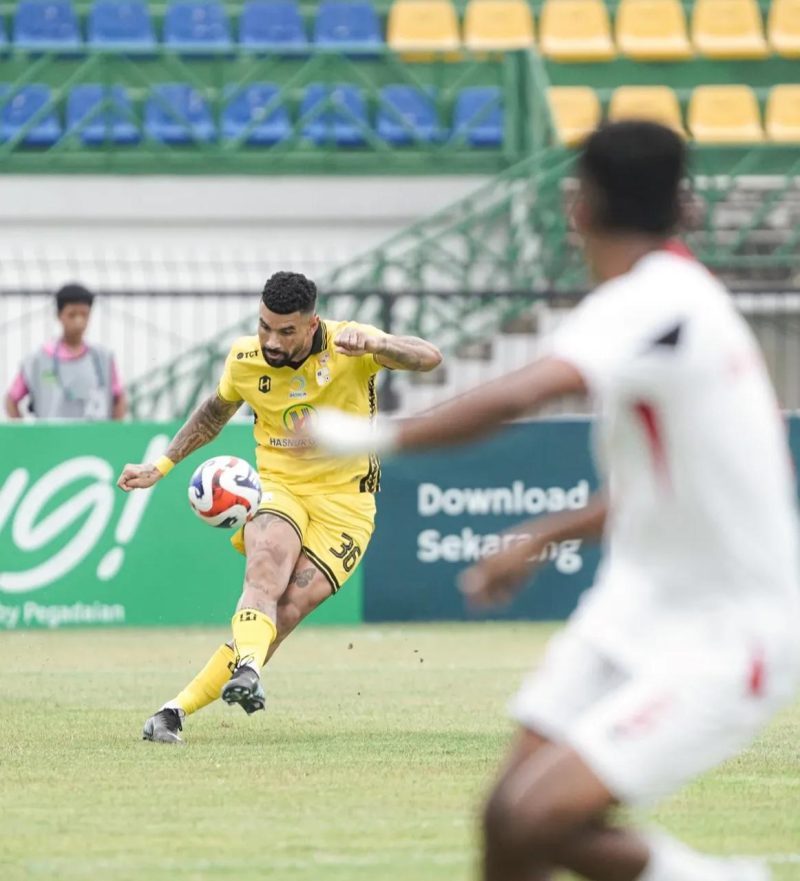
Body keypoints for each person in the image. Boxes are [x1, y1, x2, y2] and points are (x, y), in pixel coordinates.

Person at [312, 122, 800, 881]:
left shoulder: (652, 301)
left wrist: (367, 437)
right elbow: (655, 487)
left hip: (730, 630)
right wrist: (542, 532)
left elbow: (526, 390)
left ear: (579, 206)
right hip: (636, 608)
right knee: (504, 822)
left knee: (538, 817)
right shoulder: (673, 304)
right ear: (685, 206)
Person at [117, 270, 441, 744]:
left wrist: (381, 345)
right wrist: (160, 467)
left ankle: (173, 710)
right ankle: (247, 669)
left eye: (285, 331)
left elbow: (429, 357)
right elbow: (213, 413)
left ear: (312, 325)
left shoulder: (352, 346)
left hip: (347, 507)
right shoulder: (246, 359)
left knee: (285, 612)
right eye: (265, 325)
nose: (271, 339)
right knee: (264, 568)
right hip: (280, 488)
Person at [5, 283, 127, 421]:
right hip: (51, 440)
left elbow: (119, 398)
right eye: (72, 315)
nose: (78, 321)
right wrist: (28, 436)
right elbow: (11, 400)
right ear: (59, 315)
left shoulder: (104, 358)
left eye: (84, 314)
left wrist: (114, 433)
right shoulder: (37, 360)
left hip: (94, 439)